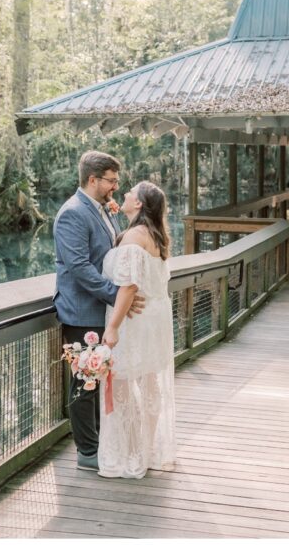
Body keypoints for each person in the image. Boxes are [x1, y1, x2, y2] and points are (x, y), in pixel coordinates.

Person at [53, 150, 144, 471]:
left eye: (117, 181)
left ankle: (101, 443)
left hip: (100, 311)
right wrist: (118, 296)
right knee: (84, 382)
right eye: (111, 181)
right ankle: (87, 452)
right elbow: (78, 266)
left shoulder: (102, 209)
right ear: (92, 179)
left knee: (99, 381)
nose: (115, 187)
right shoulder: (72, 213)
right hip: (81, 312)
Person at [98, 181, 177, 478]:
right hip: (156, 317)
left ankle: (132, 454)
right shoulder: (155, 236)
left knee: (122, 382)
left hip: (137, 320)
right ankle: (147, 448)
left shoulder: (134, 236)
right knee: (149, 381)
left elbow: (129, 286)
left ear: (140, 204)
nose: (126, 195)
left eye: (130, 193)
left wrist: (113, 327)